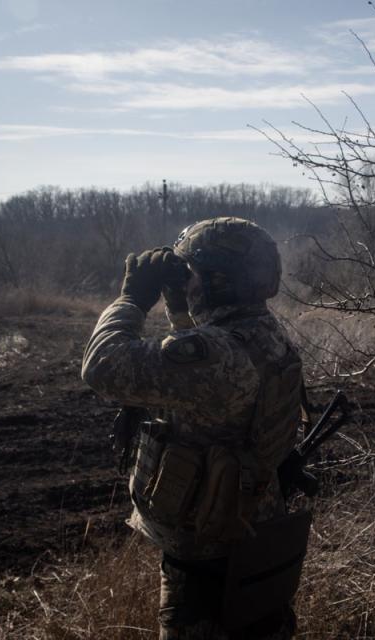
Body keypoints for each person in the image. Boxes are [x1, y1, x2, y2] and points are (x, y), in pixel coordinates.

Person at [82, 217, 308, 640]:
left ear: (217, 281)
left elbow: (103, 367)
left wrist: (131, 298)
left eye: (192, 274)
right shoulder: (263, 335)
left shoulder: (219, 353)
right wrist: (178, 303)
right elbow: (197, 368)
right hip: (252, 543)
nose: (188, 281)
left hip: (207, 566)